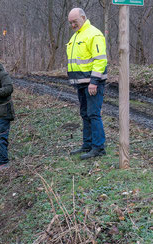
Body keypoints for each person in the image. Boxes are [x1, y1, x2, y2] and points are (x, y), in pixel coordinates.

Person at [66, 7, 108, 160]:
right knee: (85, 114)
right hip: (81, 83)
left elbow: (100, 60)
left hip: (92, 83)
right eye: (70, 23)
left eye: (75, 21)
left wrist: (94, 81)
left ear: (83, 17)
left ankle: (98, 148)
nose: (73, 25)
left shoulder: (93, 34)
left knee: (93, 114)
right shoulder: (76, 36)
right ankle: (87, 145)